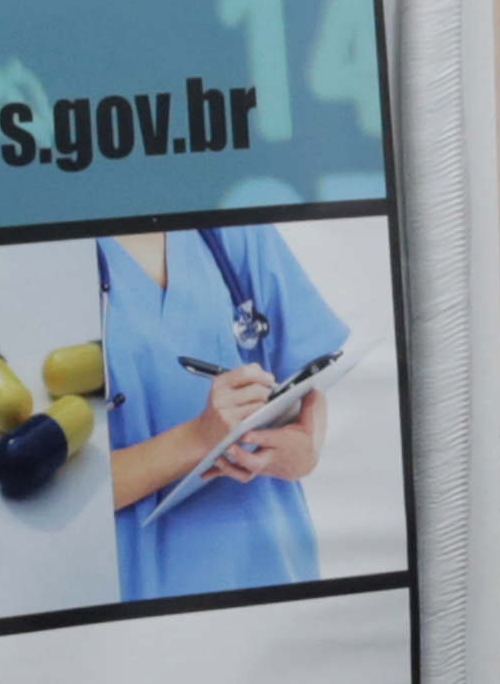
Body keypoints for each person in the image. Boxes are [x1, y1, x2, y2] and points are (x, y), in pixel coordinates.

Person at [100, 221, 352, 596]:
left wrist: (306, 449)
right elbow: (55, 486)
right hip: (146, 588)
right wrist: (198, 437)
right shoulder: (50, 258)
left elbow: (307, 378)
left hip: (271, 562)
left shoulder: (226, 219)